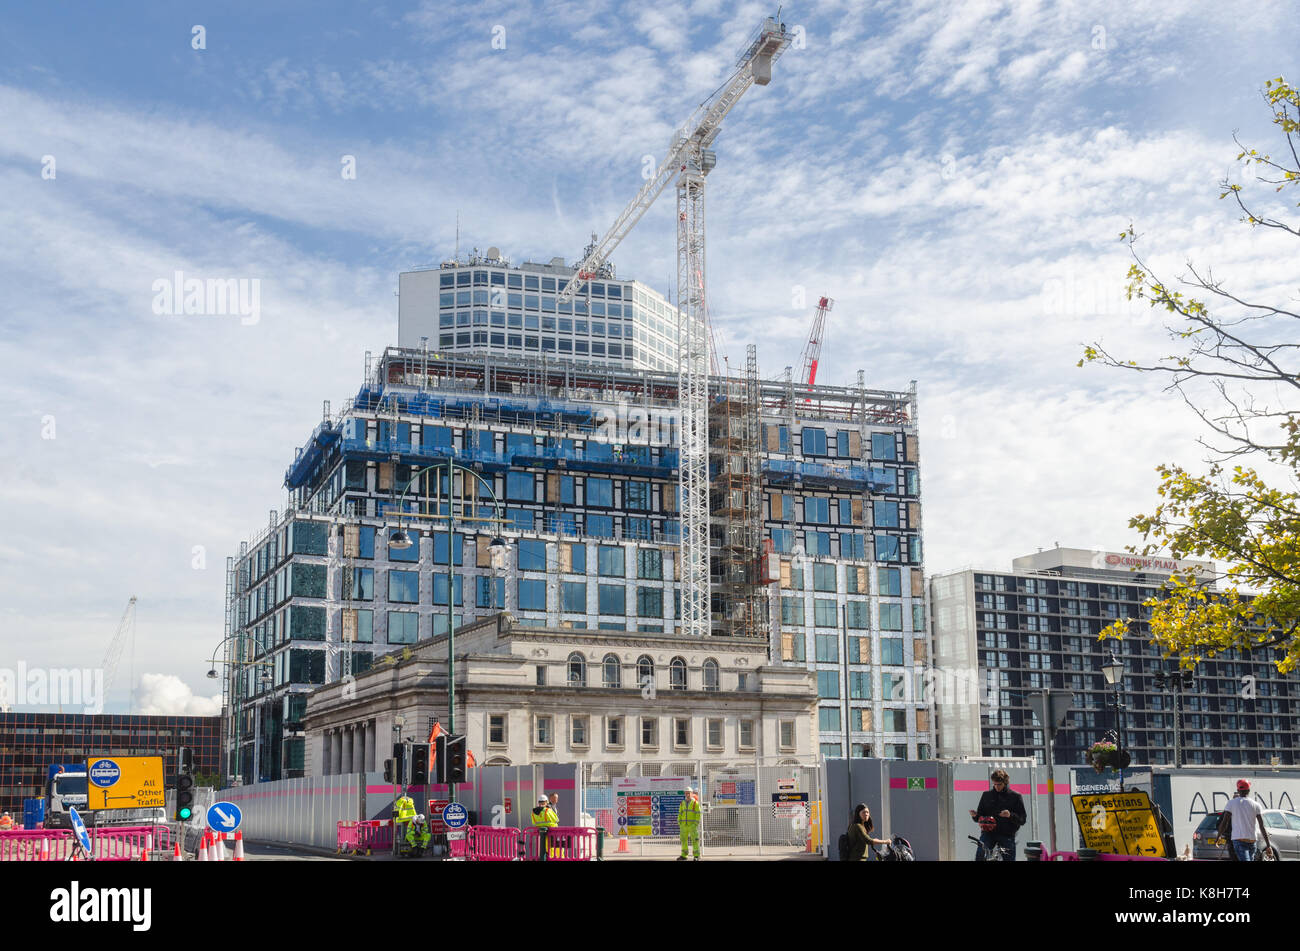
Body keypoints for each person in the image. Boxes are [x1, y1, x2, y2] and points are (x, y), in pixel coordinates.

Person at [969, 769, 1026, 861]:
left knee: (1009, 858)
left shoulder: (1015, 796)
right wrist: (975, 816)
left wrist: (1010, 815)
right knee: (980, 855)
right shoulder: (986, 795)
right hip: (988, 833)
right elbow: (980, 817)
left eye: (999, 784)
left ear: (1005, 782)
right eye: (994, 784)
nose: (996, 787)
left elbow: (1022, 819)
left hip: (1007, 834)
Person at [1222, 779, 1273, 862]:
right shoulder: (1256, 805)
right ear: (1249, 790)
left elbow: (1224, 822)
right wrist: (1268, 845)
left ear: (1238, 790)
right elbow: (1262, 826)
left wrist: (1218, 837)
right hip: (1252, 841)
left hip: (1239, 840)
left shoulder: (1231, 803)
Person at [677, 788, 702, 861]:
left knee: (695, 840)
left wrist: (695, 823)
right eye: (686, 793)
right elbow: (680, 813)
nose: (687, 795)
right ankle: (684, 855)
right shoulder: (682, 803)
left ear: (692, 793)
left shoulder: (695, 803)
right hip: (683, 825)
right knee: (683, 840)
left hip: (692, 826)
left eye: (689, 793)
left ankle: (696, 856)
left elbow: (698, 814)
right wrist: (679, 822)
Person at [532, 795, 558, 861]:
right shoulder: (547, 810)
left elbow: (534, 822)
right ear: (546, 802)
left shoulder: (533, 812)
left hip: (541, 833)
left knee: (546, 848)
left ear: (538, 802)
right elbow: (556, 820)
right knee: (554, 848)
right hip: (553, 832)